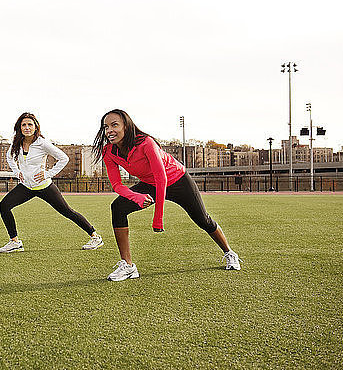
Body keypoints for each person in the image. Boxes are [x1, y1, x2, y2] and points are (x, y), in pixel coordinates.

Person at [92, 109, 241, 281]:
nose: (109, 130)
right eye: (106, 127)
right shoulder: (108, 151)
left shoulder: (146, 143)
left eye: (114, 125)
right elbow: (117, 185)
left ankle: (229, 253)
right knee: (118, 207)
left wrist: (158, 218)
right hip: (150, 183)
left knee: (203, 219)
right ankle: (128, 266)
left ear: (126, 126)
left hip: (177, 179)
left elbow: (161, 177)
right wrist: (136, 197)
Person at [0, 113, 103, 253]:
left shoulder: (42, 143)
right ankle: (15, 242)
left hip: (44, 186)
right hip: (26, 186)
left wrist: (48, 174)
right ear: (19, 127)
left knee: (67, 211)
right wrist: (17, 173)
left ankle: (95, 237)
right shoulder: (16, 144)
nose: (27, 127)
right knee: (4, 205)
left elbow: (63, 158)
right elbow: (10, 158)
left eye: (30, 124)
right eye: (24, 125)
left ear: (36, 127)